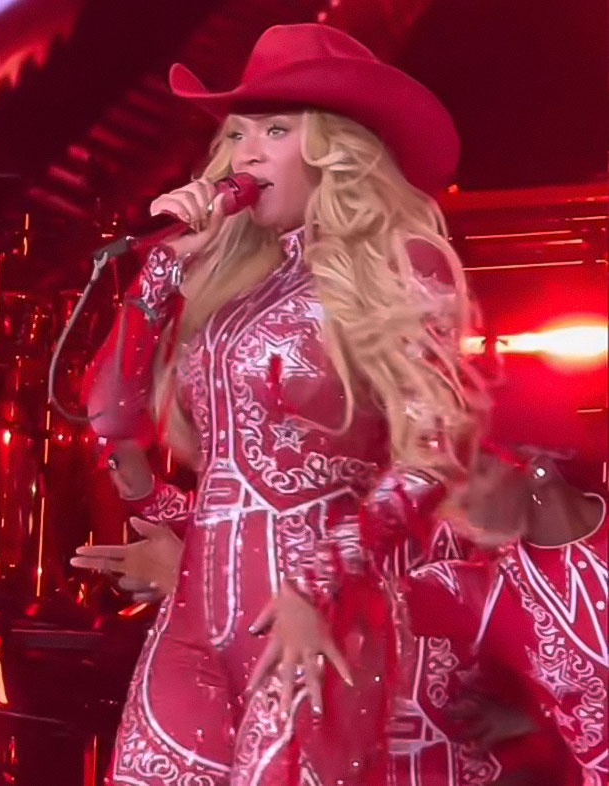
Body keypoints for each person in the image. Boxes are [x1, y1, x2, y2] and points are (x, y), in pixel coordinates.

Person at [71, 22, 488, 785]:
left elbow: (433, 456)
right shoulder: (230, 293)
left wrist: (318, 583)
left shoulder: (400, 265)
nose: (246, 152)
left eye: (274, 128)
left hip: (316, 621)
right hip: (192, 628)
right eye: (235, 133)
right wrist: (160, 273)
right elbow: (107, 416)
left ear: (337, 148)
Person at [396, 448, 606, 786]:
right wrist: (304, 592)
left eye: (476, 472)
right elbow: (369, 601)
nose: (457, 498)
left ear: (539, 466)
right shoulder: (483, 594)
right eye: (449, 482)